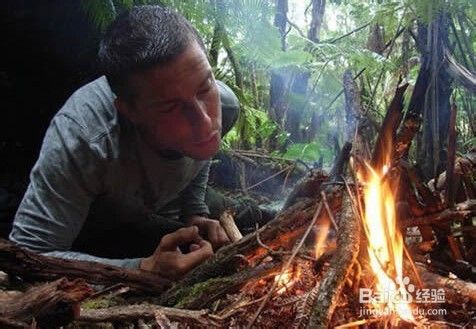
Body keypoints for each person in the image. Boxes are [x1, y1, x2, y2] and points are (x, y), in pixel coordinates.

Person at [9, 5, 241, 279]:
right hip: (87, 225)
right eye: (170, 108)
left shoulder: (225, 107)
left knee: (244, 216)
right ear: (130, 111)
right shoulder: (84, 140)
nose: (204, 122)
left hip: (147, 206)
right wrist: (140, 269)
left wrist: (193, 211)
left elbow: (203, 151)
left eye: (204, 88)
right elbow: (29, 253)